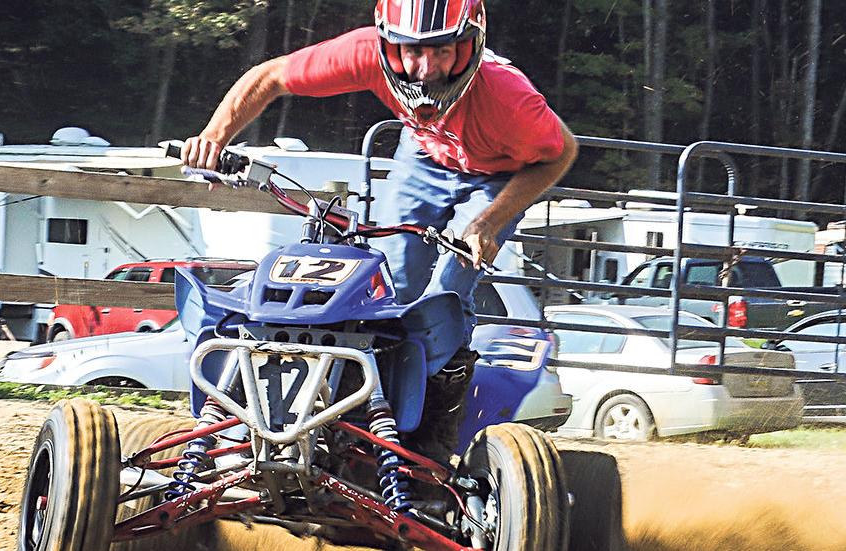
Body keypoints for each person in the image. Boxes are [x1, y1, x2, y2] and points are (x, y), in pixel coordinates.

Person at [181, 0, 578, 461]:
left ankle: (432, 439)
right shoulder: (364, 53)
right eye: (412, 51)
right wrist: (213, 137)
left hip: (499, 178)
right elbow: (271, 77)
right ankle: (355, 419)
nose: (426, 68)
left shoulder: (509, 96)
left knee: (448, 291)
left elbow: (560, 152)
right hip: (427, 155)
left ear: (470, 45)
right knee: (390, 284)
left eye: (443, 51)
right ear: (388, 46)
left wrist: (487, 223)